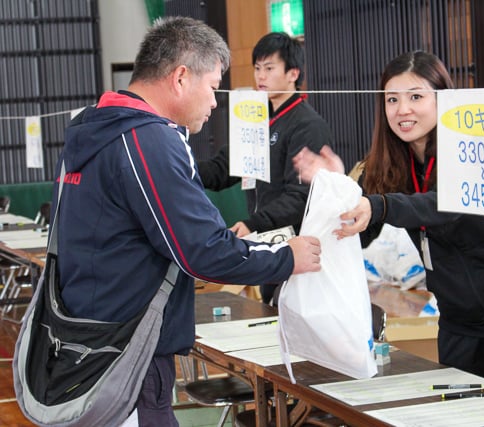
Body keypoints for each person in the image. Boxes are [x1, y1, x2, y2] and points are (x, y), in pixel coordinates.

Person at [54, 17, 321, 426]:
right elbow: (204, 251)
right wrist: (286, 257)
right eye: (213, 87)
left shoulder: (94, 127)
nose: (216, 102)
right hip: (129, 352)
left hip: (86, 341)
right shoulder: (148, 139)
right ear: (181, 77)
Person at [293, 51, 484, 382]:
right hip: (460, 319)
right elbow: (359, 231)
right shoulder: (386, 165)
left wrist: (380, 205)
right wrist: (337, 185)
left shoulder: (472, 148)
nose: (402, 110)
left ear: (442, 99)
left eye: (415, 97)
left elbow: (447, 205)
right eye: (392, 99)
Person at [197, 32, 333, 305]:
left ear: (293, 73)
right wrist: (178, 166)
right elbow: (223, 169)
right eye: (257, 68)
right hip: (267, 242)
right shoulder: (257, 120)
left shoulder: (307, 124)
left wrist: (252, 224)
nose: (261, 76)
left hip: (297, 244)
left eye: (269, 68)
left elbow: (300, 196)